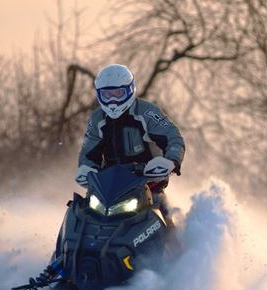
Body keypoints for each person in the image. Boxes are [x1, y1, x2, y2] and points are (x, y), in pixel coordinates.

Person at [75, 64, 185, 224]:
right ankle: (69, 245)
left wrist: (171, 160)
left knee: (161, 207)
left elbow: (173, 137)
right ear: (99, 95)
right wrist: (87, 168)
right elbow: (88, 151)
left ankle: (177, 246)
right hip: (109, 185)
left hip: (148, 180)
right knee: (82, 208)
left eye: (118, 94)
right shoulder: (97, 119)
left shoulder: (147, 112)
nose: (113, 100)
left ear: (130, 90)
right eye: (107, 95)